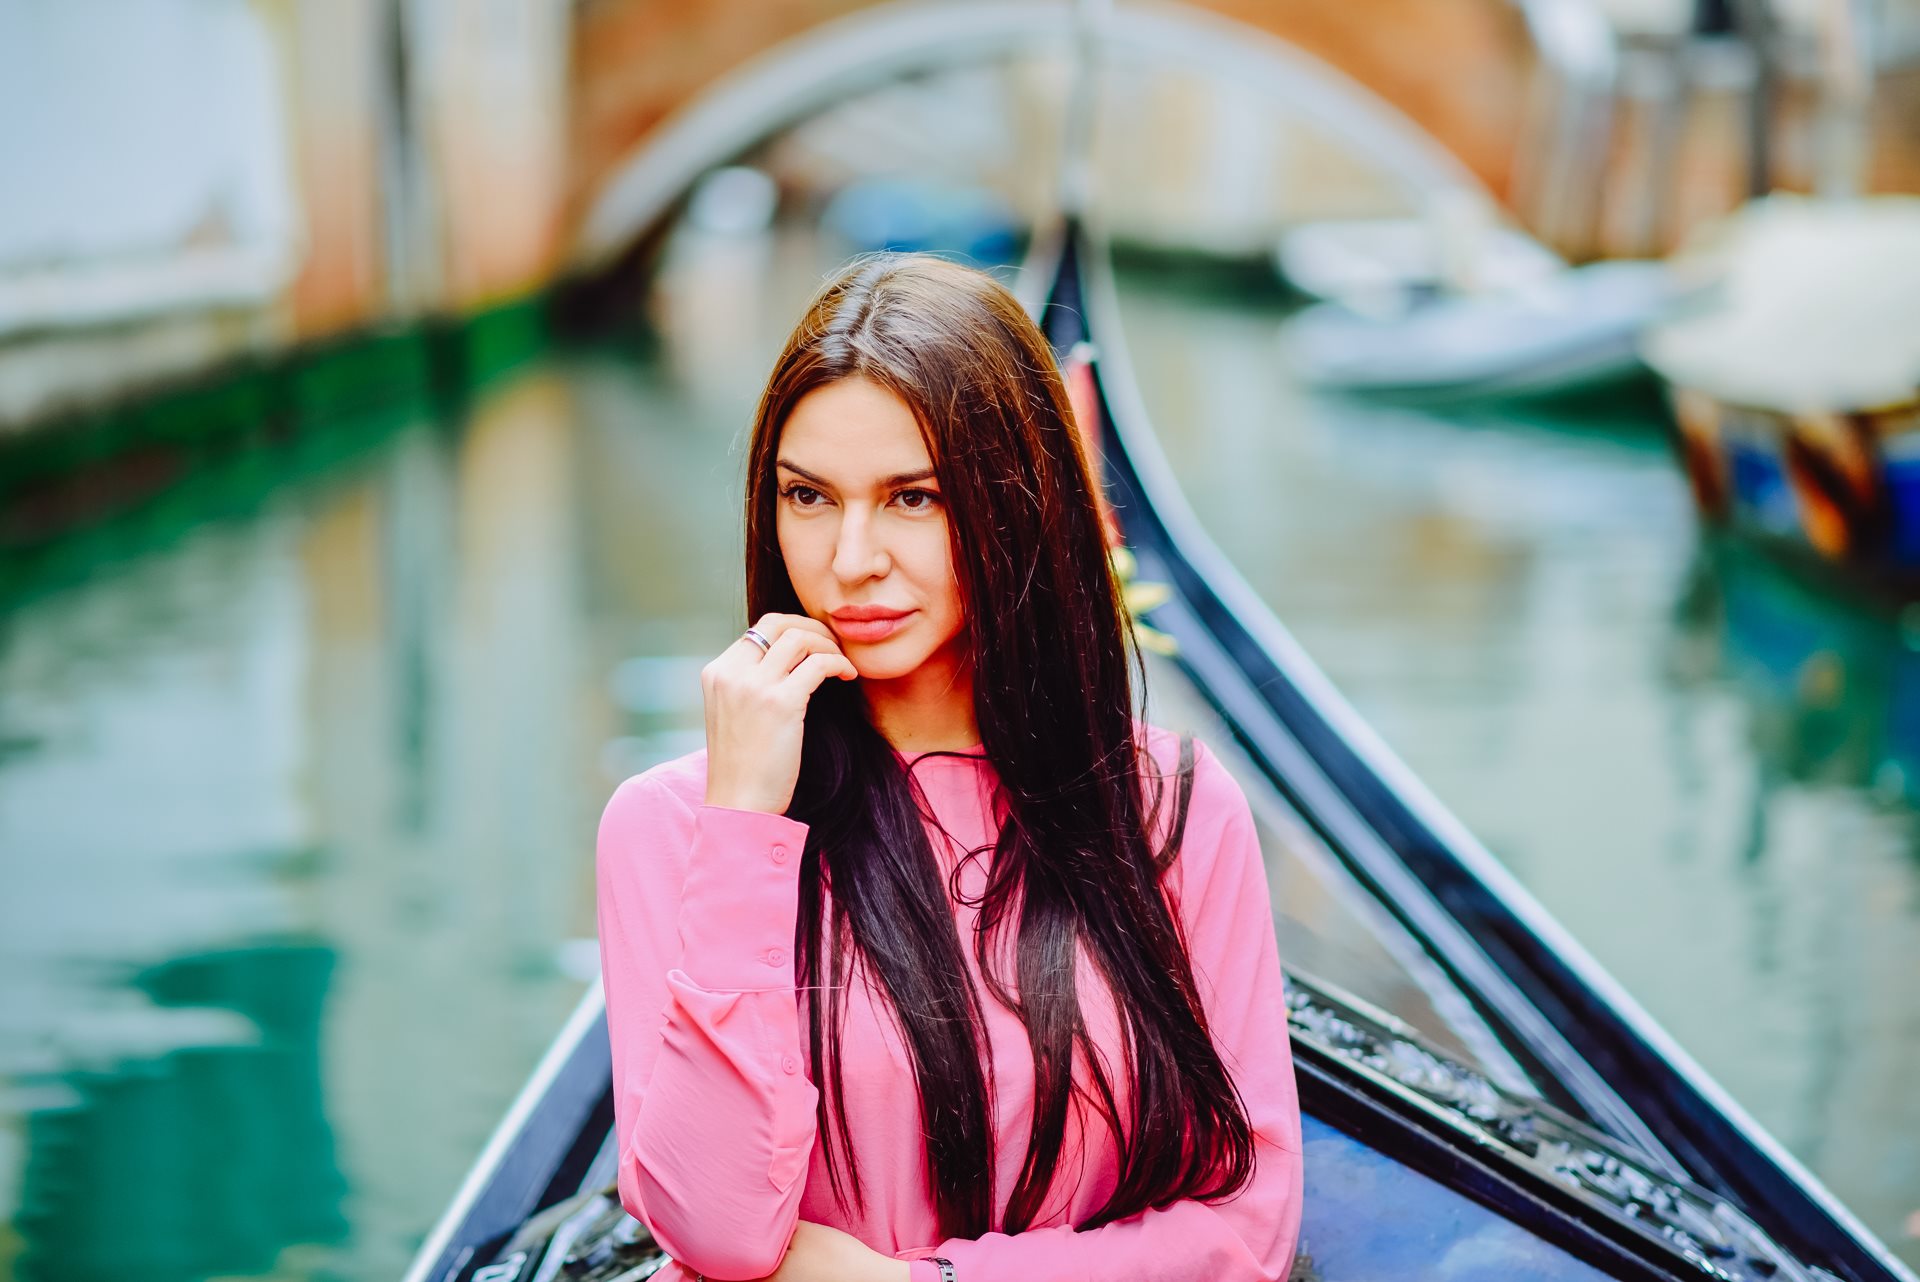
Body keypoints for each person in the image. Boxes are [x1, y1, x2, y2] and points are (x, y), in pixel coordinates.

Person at [595, 253, 1303, 1282]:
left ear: (1019, 504)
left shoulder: (1172, 809)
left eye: (913, 498)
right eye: (808, 496)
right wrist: (744, 818)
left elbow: (1248, 1228)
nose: (850, 558)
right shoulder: (672, 824)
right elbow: (713, 1229)